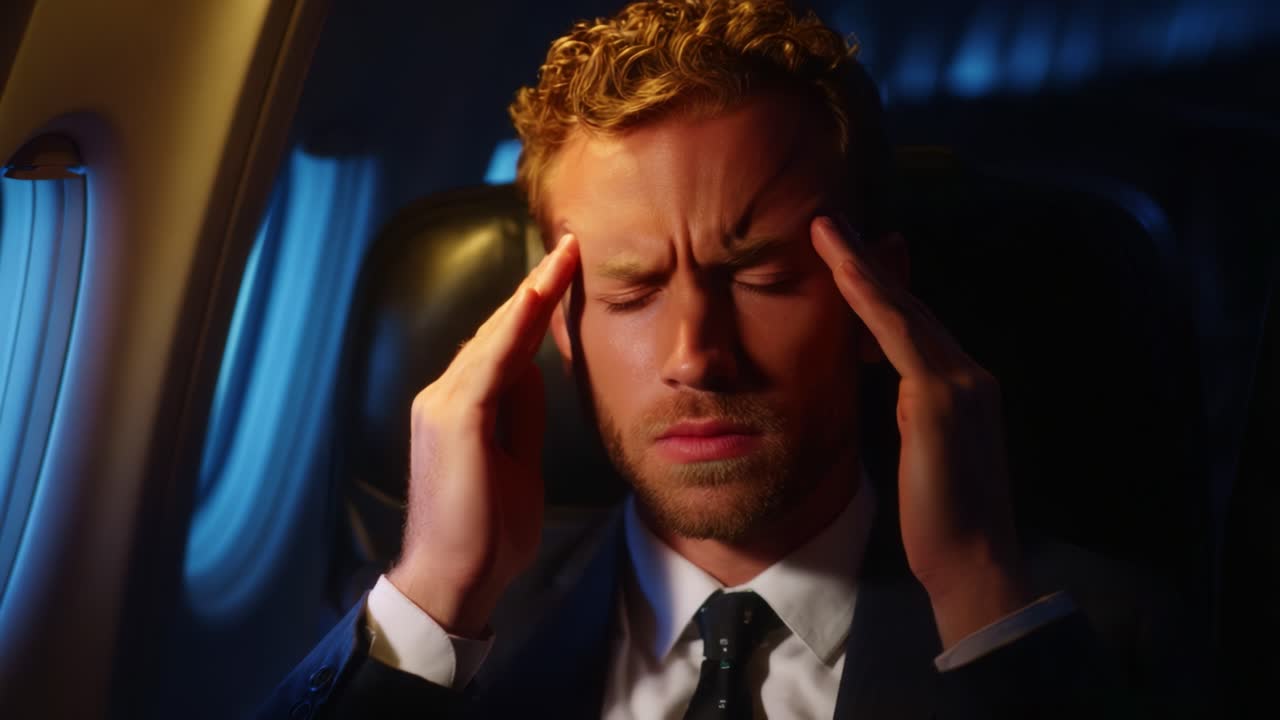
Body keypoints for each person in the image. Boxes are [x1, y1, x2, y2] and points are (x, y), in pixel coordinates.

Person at [257, 1, 1175, 717]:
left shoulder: (1087, 642)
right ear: (561, 328)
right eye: (630, 291)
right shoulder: (423, 652)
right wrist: (433, 596)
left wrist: (982, 597)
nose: (697, 356)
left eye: (765, 276)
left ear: (880, 304)